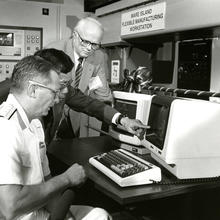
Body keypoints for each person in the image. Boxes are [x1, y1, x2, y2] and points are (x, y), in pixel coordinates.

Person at [0, 55, 111, 220]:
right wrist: (66, 178)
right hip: (19, 215)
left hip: (37, 210)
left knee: (100, 215)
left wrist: (66, 217)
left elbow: (46, 181)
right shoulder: (7, 128)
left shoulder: (35, 124)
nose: (58, 98)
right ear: (33, 90)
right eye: (54, 92)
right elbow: (10, 207)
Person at [34, 48, 148, 145]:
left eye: (68, 84)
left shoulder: (64, 90)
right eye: (63, 83)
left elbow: (90, 104)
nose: (66, 90)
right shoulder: (20, 115)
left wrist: (123, 120)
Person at [46, 17, 112, 137]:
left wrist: (113, 117)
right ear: (75, 35)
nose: (89, 48)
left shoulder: (98, 57)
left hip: (76, 115)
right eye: (85, 41)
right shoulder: (54, 51)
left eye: (95, 44)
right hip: (52, 111)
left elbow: (103, 94)